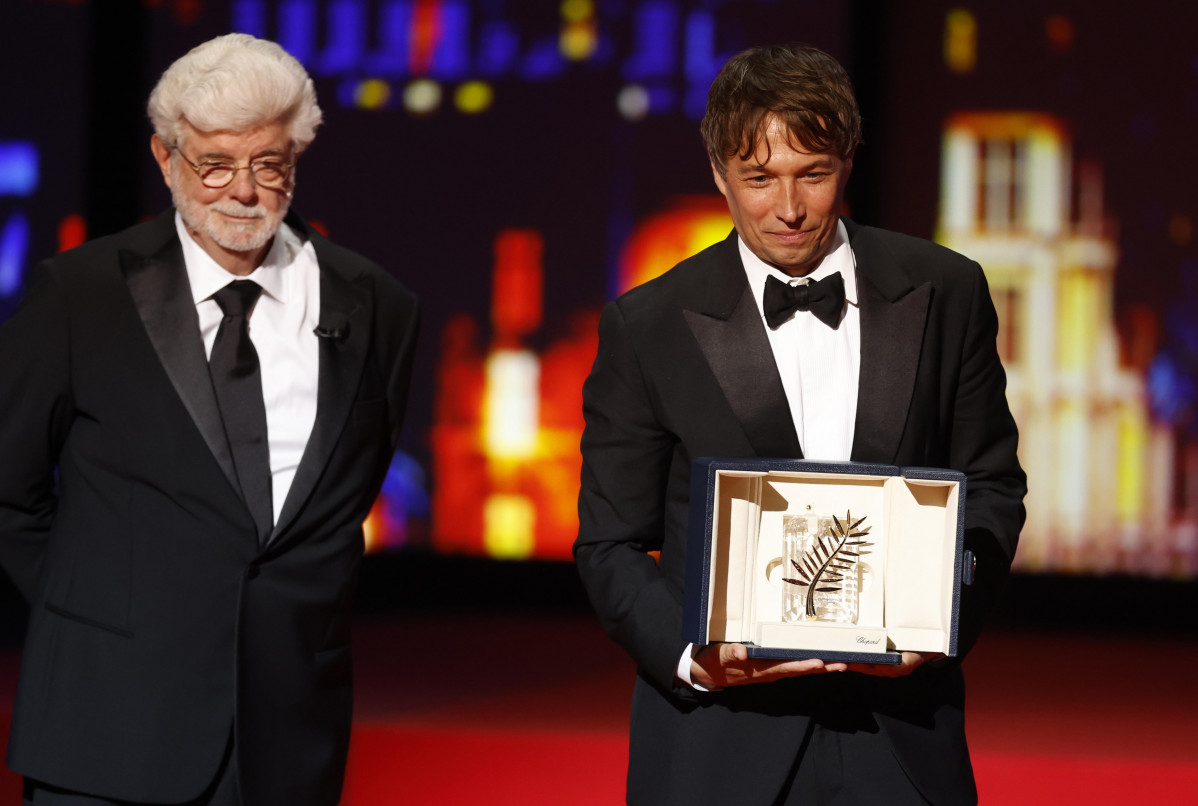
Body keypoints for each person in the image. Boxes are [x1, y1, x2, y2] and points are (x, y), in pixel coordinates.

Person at [575, 44, 1025, 805]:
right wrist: (693, 657)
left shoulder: (947, 291)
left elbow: (991, 488)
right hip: (719, 743)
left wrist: (941, 614)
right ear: (719, 172)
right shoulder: (648, 324)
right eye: (759, 179)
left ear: (847, 161)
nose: (788, 208)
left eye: (812, 174)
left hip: (901, 737)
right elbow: (609, 543)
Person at [0, 33, 419, 806]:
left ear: (296, 157)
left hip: (287, 735)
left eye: (268, 164)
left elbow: (346, 494)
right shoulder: (80, 294)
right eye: (214, 165)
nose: (242, 192)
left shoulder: (378, 307)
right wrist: (93, 608)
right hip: (104, 728)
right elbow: (8, 489)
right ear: (166, 160)